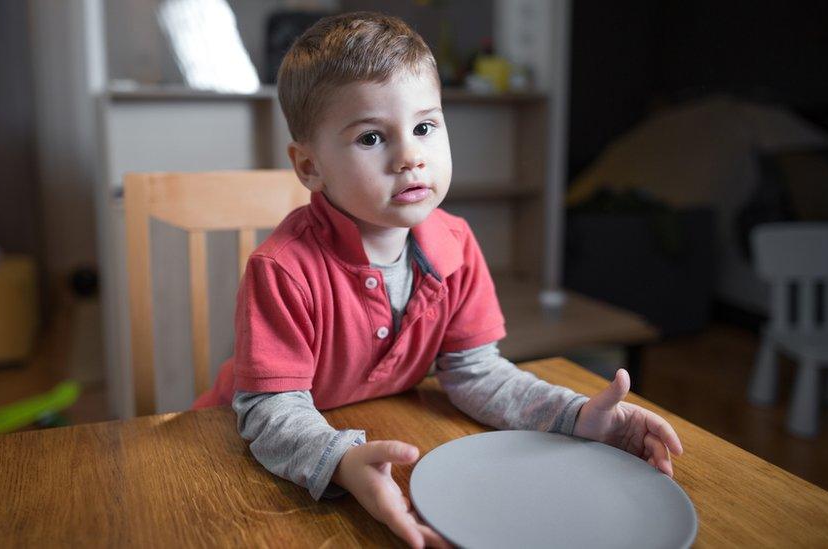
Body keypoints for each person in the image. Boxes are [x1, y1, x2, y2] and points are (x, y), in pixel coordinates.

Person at [193, 12, 683, 548]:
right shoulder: (282, 269)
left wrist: (576, 416)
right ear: (309, 166)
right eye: (372, 137)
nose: (410, 157)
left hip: (377, 430)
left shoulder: (455, 245)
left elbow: (476, 374)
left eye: (425, 127)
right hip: (245, 456)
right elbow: (270, 411)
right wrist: (341, 462)